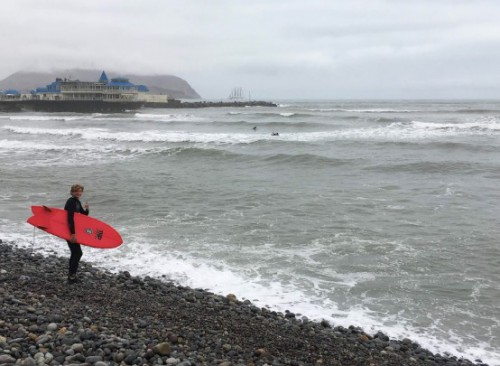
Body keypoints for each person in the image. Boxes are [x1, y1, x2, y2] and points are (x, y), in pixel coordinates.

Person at [64, 184, 89, 283]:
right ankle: (71, 276)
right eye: (76, 191)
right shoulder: (71, 202)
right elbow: (70, 219)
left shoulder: (77, 201)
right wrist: (73, 234)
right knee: (77, 253)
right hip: (69, 231)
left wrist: (86, 208)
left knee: (75, 253)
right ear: (72, 192)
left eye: (80, 191)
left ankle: (71, 276)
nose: (78, 193)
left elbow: (83, 215)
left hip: (72, 231)